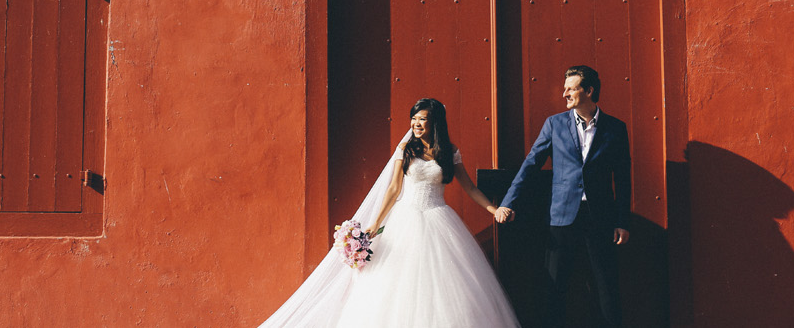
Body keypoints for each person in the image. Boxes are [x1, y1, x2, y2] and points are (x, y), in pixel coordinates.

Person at [259, 98, 520, 328]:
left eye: (423, 119)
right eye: (414, 118)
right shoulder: (407, 150)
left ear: (436, 122)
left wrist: (494, 210)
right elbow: (394, 189)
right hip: (405, 220)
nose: (416, 124)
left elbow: (470, 187)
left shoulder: (449, 152)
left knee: (442, 287)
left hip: (439, 218)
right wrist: (375, 223)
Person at [496, 65, 631, 328]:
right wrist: (508, 202)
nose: (564, 94)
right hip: (561, 217)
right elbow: (531, 164)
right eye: (565, 87)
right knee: (554, 285)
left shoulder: (615, 128)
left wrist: (622, 221)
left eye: (571, 88)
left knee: (606, 286)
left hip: (600, 218)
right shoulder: (554, 124)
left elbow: (624, 178)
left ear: (589, 91)